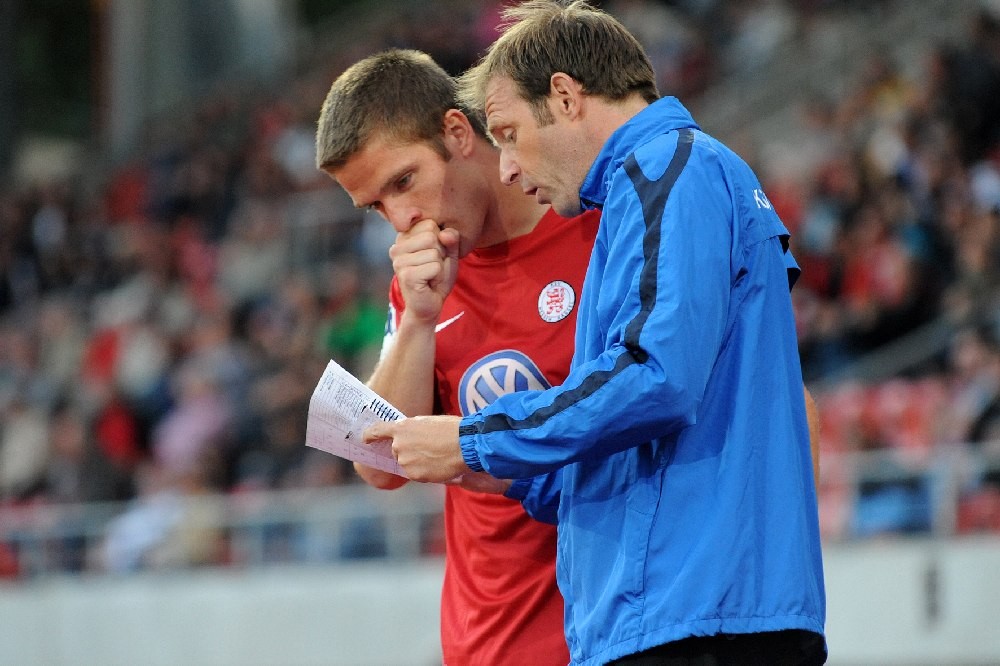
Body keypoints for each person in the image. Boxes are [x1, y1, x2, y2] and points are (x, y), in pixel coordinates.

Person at [364, 2, 827, 664]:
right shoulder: (654, 186)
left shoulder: (665, 170)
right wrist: (501, 471)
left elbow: (654, 377)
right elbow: (651, 430)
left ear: (565, 97)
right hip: (682, 612)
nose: (507, 167)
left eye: (510, 133)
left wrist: (476, 440)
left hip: (692, 616)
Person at [314, 49, 601, 665]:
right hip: (485, 643)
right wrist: (418, 319)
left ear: (457, 132)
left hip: (605, 629)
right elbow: (379, 466)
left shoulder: (596, 231)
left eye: (403, 181)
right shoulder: (421, 283)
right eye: (375, 206)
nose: (401, 219)